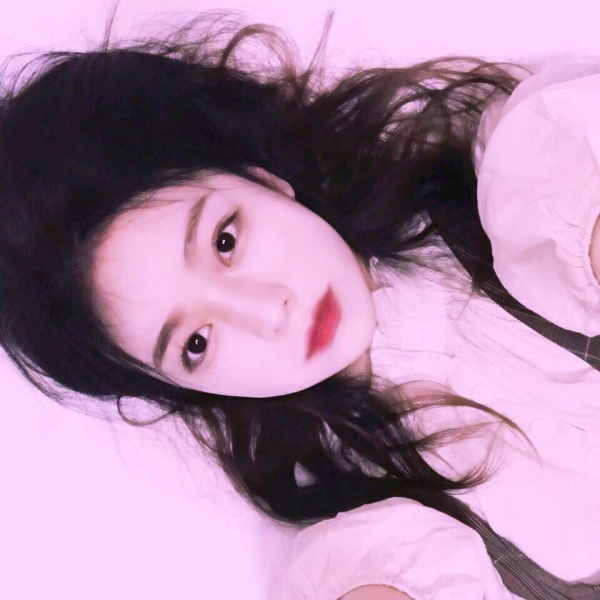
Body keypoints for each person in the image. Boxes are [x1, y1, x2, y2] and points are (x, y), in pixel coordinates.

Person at [0, 7, 599, 600]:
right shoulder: (363, 534)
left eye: (225, 241)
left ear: (261, 177)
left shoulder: (521, 183)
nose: (267, 314)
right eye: (196, 343)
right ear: (181, 387)